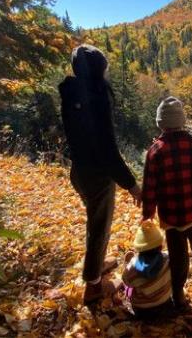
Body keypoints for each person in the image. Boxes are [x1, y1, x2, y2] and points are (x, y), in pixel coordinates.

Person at [58, 44, 142, 305]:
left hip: (79, 172)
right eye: (104, 70)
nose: (106, 76)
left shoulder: (71, 93)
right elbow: (107, 150)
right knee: (99, 228)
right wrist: (132, 185)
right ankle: (94, 286)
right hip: (97, 175)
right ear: (97, 71)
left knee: (95, 223)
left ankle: (95, 265)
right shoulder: (96, 99)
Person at [142, 96, 192, 308]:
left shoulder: (155, 151)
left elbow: (149, 187)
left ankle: (178, 295)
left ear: (160, 123)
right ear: (182, 121)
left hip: (171, 216)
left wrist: (147, 213)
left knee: (178, 257)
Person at [121, 220, 173, 320]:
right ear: (161, 246)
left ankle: (129, 262)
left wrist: (129, 266)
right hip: (165, 302)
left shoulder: (134, 268)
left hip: (143, 310)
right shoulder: (167, 258)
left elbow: (125, 280)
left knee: (129, 285)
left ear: (139, 249)